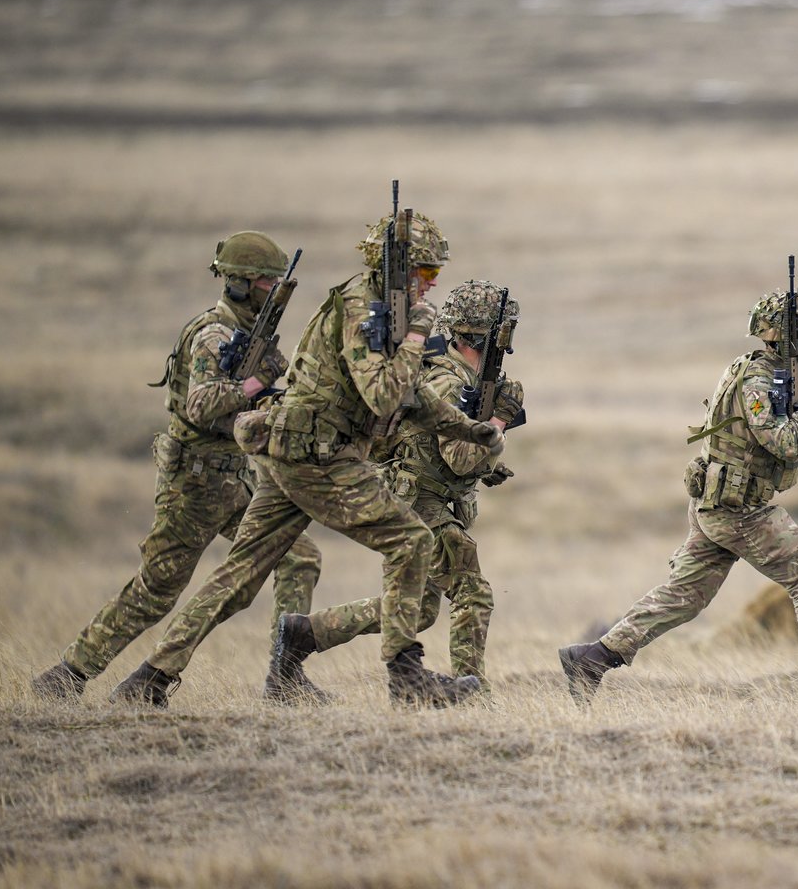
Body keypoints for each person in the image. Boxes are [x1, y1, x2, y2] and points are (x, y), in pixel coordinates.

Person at [108, 207, 503, 710]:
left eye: (435, 272)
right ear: (397, 268)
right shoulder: (365, 310)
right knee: (411, 541)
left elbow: (411, 397)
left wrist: (467, 429)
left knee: (238, 578)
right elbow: (384, 395)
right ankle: (406, 679)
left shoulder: (378, 308)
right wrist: (416, 339)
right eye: (425, 271)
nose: (431, 283)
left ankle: (148, 679)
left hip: (291, 449)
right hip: (318, 456)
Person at [559, 286, 798, 708]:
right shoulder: (759, 381)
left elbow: (759, 446)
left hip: (719, 505)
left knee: (684, 597)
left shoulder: (767, 373)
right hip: (740, 510)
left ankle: (592, 658)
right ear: (787, 339)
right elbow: (784, 443)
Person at [30, 233, 322, 702]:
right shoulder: (213, 335)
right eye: (267, 282)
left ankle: (284, 677)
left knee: (298, 555)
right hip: (194, 484)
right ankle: (67, 676)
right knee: (156, 591)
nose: (274, 289)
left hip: (234, 479)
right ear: (241, 283)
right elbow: (201, 405)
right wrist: (256, 382)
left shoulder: (243, 335)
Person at [267, 280, 523, 698]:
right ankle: (474, 692)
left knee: (418, 610)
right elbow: (460, 457)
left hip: (424, 495)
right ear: (487, 335)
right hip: (421, 501)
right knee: (472, 593)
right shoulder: (448, 382)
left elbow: (445, 454)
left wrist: (487, 465)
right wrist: (498, 423)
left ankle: (304, 633)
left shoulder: (451, 373)